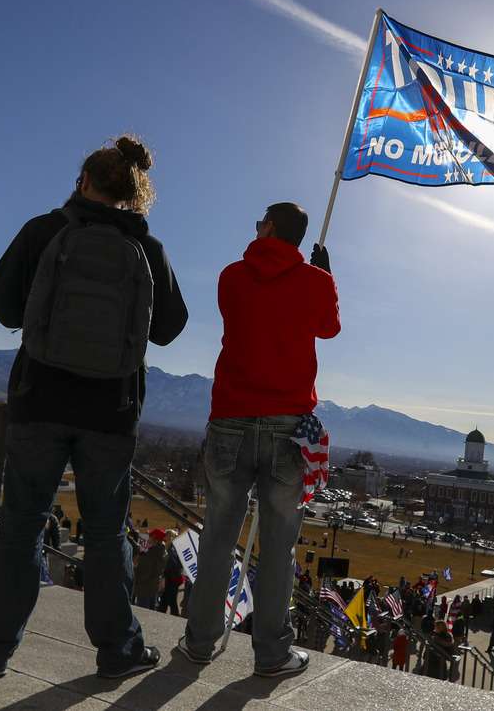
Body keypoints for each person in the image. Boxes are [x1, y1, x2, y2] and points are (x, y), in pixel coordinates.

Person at [0, 135, 188, 679]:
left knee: (23, 523)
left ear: (83, 181)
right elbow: (171, 328)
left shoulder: (43, 230)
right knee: (105, 532)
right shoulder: (147, 248)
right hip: (112, 409)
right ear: (134, 190)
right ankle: (119, 652)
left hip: (39, 399)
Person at [179, 202, 339, 678]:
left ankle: (198, 643)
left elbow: (241, 307)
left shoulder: (232, 276)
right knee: (278, 548)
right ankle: (272, 653)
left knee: (217, 541)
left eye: (259, 222)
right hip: (288, 426)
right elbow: (327, 328)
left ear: (269, 227)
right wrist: (323, 276)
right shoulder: (316, 283)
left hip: (230, 419)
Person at [133, 528, 167, 610]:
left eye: (150, 536)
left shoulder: (151, 554)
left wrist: (136, 568)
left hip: (144, 587)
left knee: (142, 612)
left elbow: (144, 572)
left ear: (155, 539)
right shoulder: (162, 552)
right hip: (153, 587)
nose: (148, 538)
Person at [159, 531, 184, 616]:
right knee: (165, 598)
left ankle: (175, 615)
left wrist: (164, 572)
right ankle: (161, 612)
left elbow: (172, 564)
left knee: (171, 599)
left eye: (166, 535)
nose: (164, 537)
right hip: (171, 577)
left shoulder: (172, 549)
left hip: (172, 578)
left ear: (170, 537)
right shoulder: (171, 547)